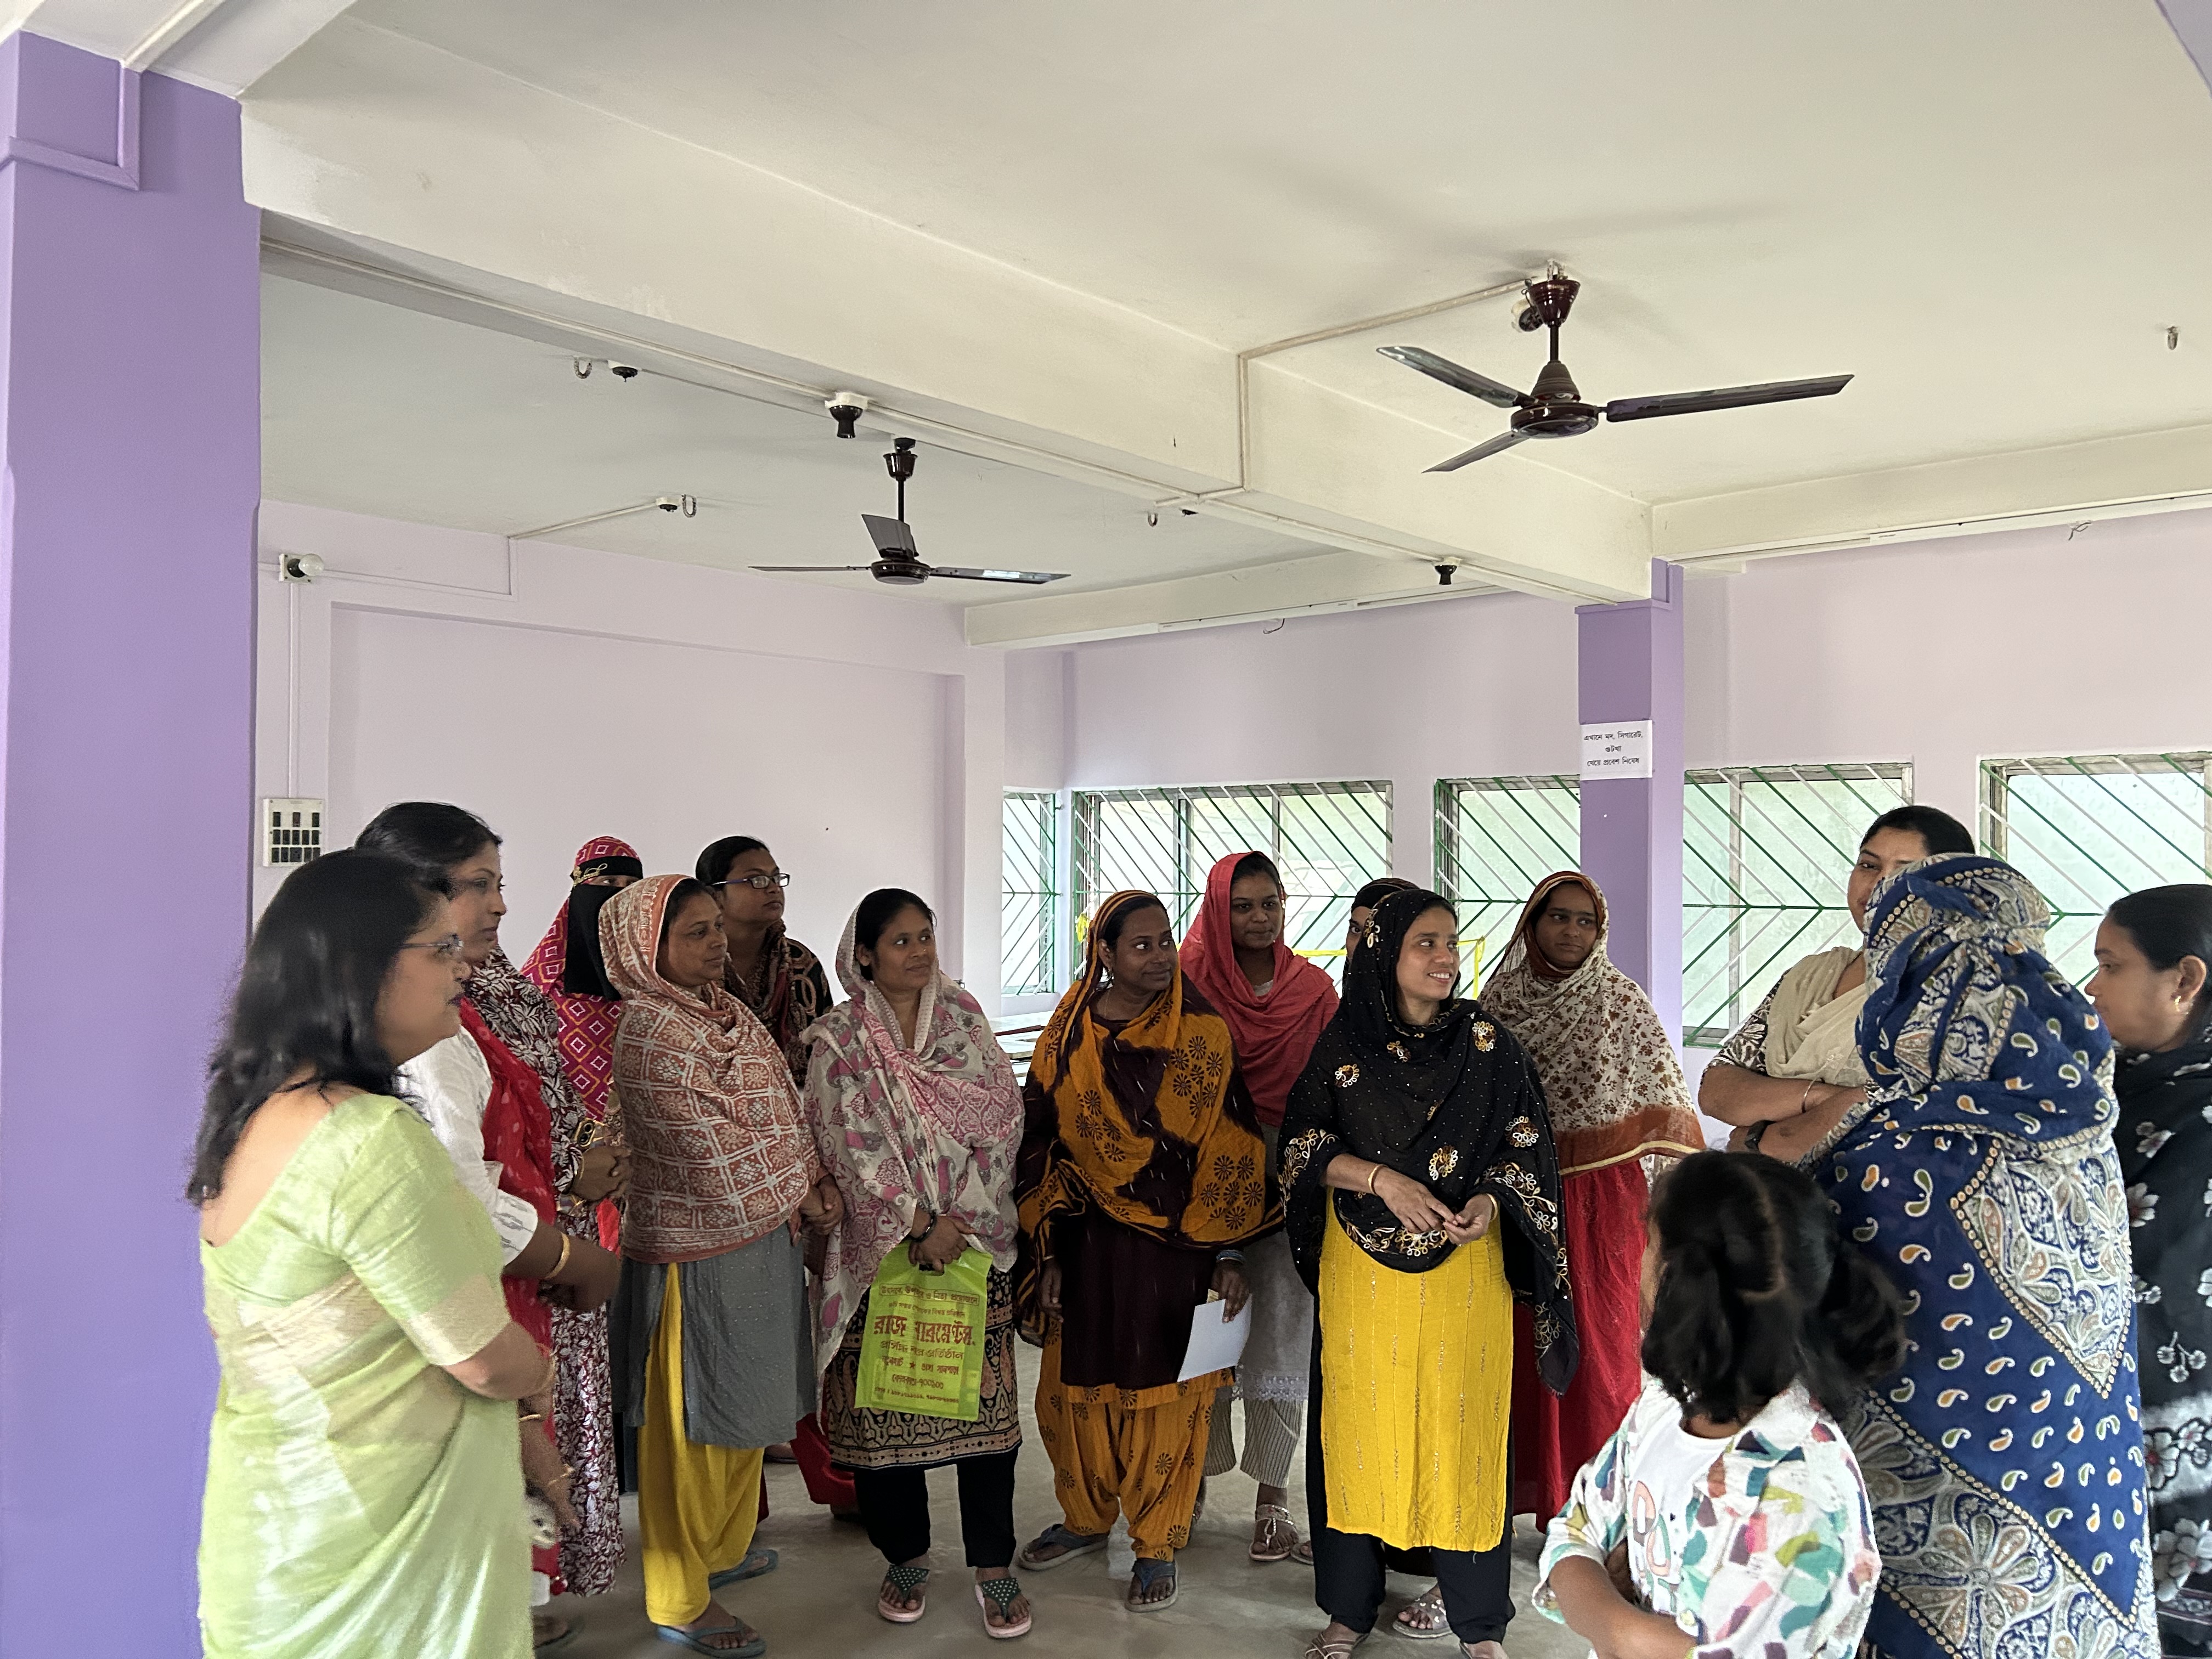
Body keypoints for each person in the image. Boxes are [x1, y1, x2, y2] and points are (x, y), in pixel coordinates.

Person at [1736, 853, 2159, 1657]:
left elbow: (1776, 1246)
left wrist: (1763, 1140)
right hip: (2080, 1475)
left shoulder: (1893, 1140)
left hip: (1937, 1535)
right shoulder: (2081, 1112)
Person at [195, 850, 551, 1659]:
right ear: (362, 970)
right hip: (380, 1559)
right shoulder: (366, 1141)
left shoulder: (251, 1118)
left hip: (279, 1531)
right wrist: (540, 1371)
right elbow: (481, 1360)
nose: (461, 962)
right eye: (438, 948)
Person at [1280, 887, 1578, 1659]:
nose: (1446, 959)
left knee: (1462, 1431)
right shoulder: (1343, 1044)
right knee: (1359, 1427)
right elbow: (1300, 1147)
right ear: (1387, 954)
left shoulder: (1487, 1044)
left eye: (1451, 943)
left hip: (1463, 1270)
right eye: (1427, 944)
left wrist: (1489, 1197)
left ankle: (1480, 1626)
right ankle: (1350, 1608)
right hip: (1363, 1275)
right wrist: (1382, 1182)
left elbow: (1527, 1146)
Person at [359, 804, 627, 1643]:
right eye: (478, 887)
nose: (500, 906)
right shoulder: (427, 1036)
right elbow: (456, 1189)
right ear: (413, 897)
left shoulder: (463, 1009)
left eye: (498, 885)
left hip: (503, 1285)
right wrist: (572, 1253)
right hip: (468, 1298)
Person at [1012, 889, 1276, 1612]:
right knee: (1077, 1385)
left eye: (1166, 941)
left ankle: (1156, 1542)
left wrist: (1227, 1256)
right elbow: (1037, 1140)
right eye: (1141, 945)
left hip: (1177, 1248)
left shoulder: (1201, 1033)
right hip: (1085, 1243)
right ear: (1104, 953)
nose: (1159, 957)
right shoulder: (1067, 1037)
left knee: (1162, 1391)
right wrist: (1050, 1254)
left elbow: (1232, 1144)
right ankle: (1086, 1519)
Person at [602, 874, 844, 1657]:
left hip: (760, 1238)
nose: (715, 945)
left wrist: (811, 1178)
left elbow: (783, 1106)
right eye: (694, 933)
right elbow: (707, 1154)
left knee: (746, 1413)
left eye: (715, 928)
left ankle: (720, 1554)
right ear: (648, 949)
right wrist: (797, 1194)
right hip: (694, 1252)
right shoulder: (647, 1032)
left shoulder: (724, 1013)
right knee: (691, 1430)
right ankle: (679, 1597)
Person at [1534, 1152, 1901, 1659]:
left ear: (1674, 1287)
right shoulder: (1663, 1410)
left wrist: (1606, 1613)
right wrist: (1625, 1627)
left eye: (1648, 1243)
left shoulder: (1801, 1496)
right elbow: (1569, 1537)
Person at [803, 889, 1033, 1638]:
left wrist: (958, 1222)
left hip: (968, 1245)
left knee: (984, 1417)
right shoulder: (840, 1040)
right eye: (900, 941)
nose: (919, 952)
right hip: (883, 1252)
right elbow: (846, 1142)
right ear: (864, 954)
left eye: (925, 937)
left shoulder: (963, 1017)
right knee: (883, 1415)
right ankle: (904, 1557)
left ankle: (994, 1568)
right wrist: (916, 1222)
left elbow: (1003, 1119)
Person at [1479, 872, 1702, 1530]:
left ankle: (1599, 1514)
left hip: (1604, 1207)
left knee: (1602, 1353)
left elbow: (1665, 1106)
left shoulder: (1620, 1002)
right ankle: (1532, 1496)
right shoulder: (1499, 1004)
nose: (1571, 932)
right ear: (1532, 923)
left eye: (1584, 921)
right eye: (1558, 918)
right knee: (1520, 1350)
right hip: (1519, 1200)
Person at [1178, 851, 1339, 1564]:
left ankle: (1273, 1503)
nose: (1256, 917)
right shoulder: (1189, 985)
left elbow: (1338, 1082)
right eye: (1241, 904)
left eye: (1268, 903)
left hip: (1295, 1178)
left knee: (1282, 1334)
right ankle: (1191, 1486)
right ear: (1218, 907)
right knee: (1209, 1330)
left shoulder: (1313, 990)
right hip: (1204, 1171)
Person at [1700, 803, 1975, 1151]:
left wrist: (1760, 1139)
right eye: (1869, 865)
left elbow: (1898, 1117)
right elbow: (1717, 1087)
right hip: (1771, 1199)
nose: (1879, 884)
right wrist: (1821, 1099)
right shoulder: (1810, 975)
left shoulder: (1955, 989)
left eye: (1906, 873)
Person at [2087, 884, 2212, 1651]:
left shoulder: (2200, 1119)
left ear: (2185, 980)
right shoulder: (2115, 1086)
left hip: (2181, 1428)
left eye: (2110, 965)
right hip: (2114, 1409)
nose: (2092, 987)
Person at [696, 835, 832, 1086]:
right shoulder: (694, 965)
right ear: (715, 895)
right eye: (756, 880)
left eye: (776, 878)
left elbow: (826, 1053)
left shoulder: (800, 962)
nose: (773, 888)